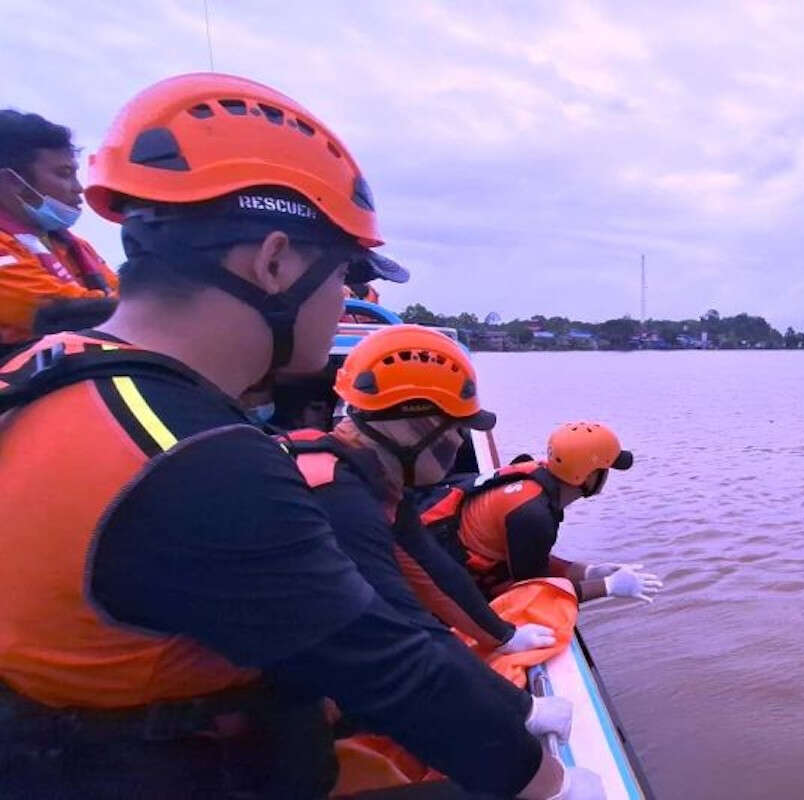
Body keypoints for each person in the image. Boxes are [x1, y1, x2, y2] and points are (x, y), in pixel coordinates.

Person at [0, 73, 598, 799]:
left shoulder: (52, 371)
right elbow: (389, 667)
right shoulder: (196, 461)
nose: (348, 298)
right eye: (345, 272)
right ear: (274, 260)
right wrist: (555, 784)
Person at [287, 323, 558, 653]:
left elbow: (433, 572)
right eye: (456, 428)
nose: (460, 442)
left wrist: (503, 636)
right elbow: (396, 624)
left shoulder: (373, 484)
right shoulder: (337, 500)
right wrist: (518, 707)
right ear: (412, 428)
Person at [421, 422, 664, 603]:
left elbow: (531, 558)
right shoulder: (534, 515)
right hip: (441, 575)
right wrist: (608, 586)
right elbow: (535, 591)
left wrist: (589, 571)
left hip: (444, 546)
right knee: (549, 609)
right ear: (589, 476)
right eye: (606, 469)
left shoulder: (536, 478)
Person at [0, 109, 118, 350]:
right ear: (12, 182)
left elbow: (121, 293)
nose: (79, 189)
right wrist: (155, 309)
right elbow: (54, 311)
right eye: (64, 174)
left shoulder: (72, 246)